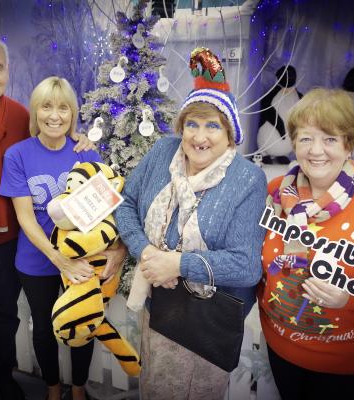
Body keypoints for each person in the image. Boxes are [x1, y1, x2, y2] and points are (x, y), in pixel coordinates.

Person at [115, 47, 267, 399]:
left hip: (206, 323)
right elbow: (127, 204)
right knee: (155, 385)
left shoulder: (247, 179)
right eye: (192, 124)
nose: (200, 137)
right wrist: (149, 254)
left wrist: (178, 264)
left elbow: (246, 267)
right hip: (159, 308)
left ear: (230, 134)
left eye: (212, 126)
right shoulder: (163, 152)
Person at [0, 30, 96, 400]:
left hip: (7, 243)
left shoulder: (18, 115)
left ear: (6, 71)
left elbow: (54, 132)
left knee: (6, 317)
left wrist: (81, 138)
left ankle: (4, 377)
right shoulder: (7, 137)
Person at [0, 76, 126, 400]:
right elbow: (25, 217)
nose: (55, 115)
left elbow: (103, 214)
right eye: (46, 106)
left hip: (82, 258)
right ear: (35, 112)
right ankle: (53, 388)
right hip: (37, 259)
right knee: (43, 328)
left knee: (83, 324)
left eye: (63, 108)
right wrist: (58, 258)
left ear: (73, 113)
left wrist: (109, 250)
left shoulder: (86, 153)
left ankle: (79, 388)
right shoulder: (18, 155)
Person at [258, 88, 354, 400]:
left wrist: (350, 300)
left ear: (349, 144)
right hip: (280, 348)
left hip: (344, 364)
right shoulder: (276, 192)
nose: (317, 150)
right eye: (306, 138)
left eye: (329, 138)